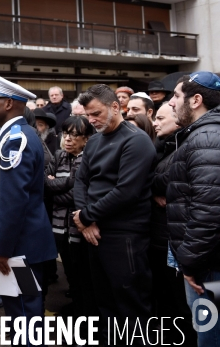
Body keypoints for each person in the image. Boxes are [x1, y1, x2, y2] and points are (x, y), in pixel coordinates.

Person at [74, 84, 156, 342]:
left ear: (115, 107)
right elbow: (81, 181)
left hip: (125, 235)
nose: (91, 120)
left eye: (96, 113)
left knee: (131, 305)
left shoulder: (136, 140)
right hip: (94, 233)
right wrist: (83, 219)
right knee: (104, 303)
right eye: (88, 115)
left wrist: (86, 216)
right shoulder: (95, 140)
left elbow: (126, 192)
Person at [0, 74, 57, 344]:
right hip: (21, 244)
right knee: (20, 309)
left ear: (10, 104)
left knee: (24, 310)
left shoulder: (16, 140)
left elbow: (14, 202)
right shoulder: (14, 135)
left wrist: (2, 248)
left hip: (18, 247)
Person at [167, 71, 220, 346]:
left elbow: (209, 210)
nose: (171, 103)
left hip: (207, 267)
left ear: (196, 100)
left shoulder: (207, 137)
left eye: (176, 96)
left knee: (209, 337)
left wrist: (189, 262)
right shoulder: (202, 135)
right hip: (207, 261)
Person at [44, 115, 96, 334]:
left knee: (83, 274)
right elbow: (45, 187)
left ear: (86, 139)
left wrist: (57, 186)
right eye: (66, 134)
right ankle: (76, 312)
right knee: (69, 274)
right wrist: (63, 186)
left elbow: (79, 196)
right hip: (58, 227)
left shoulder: (88, 159)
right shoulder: (58, 156)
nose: (68, 139)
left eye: (75, 135)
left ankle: (85, 319)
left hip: (80, 229)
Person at [149, 103, 196, 345]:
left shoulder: (185, 146)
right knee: (166, 298)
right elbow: (147, 177)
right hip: (160, 235)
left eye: (160, 118)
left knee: (183, 304)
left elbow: (170, 178)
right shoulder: (161, 146)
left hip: (177, 237)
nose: (155, 123)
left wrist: (157, 185)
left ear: (177, 121)